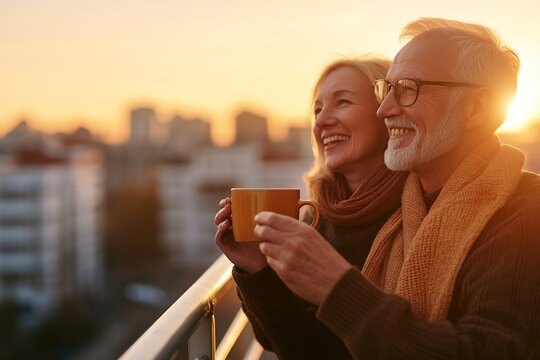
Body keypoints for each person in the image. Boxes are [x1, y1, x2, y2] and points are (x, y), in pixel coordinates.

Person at [249, 17, 540, 359]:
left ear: (475, 108)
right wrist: (256, 269)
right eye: (385, 90)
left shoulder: (524, 212)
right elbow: (330, 349)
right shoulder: (407, 210)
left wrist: (338, 286)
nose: (384, 110)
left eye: (407, 88)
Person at [214, 56, 407, 358]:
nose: (321, 120)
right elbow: (286, 342)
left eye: (342, 102)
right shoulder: (314, 216)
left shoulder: (420, 211)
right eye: (317, 110)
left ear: (387, 111)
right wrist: (256, 267)